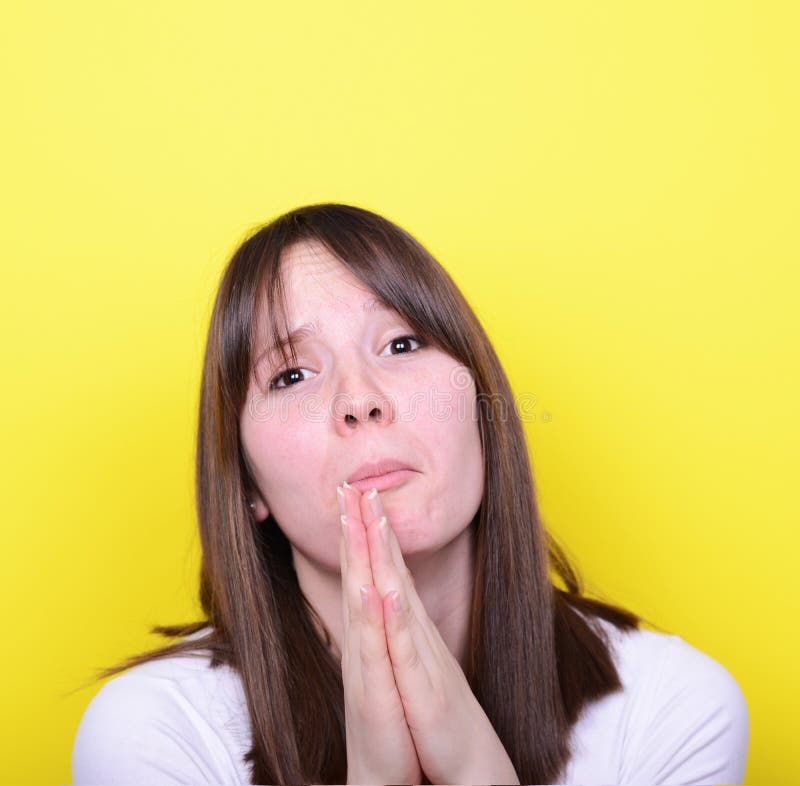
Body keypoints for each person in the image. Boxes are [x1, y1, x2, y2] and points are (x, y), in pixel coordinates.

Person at [71, 203, 749, 785]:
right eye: (292, 375)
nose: (359, 400)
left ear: (486, 412)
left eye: (400, 344)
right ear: (248, 485)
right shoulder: (154, 735)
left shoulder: (672, 708)